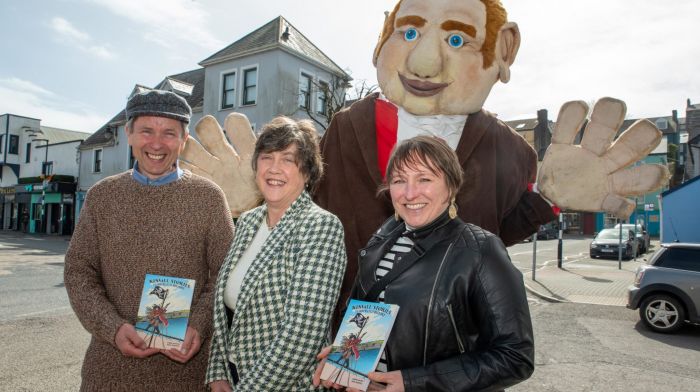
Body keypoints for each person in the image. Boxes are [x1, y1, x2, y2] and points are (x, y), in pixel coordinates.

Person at [315, 136, 534, 391]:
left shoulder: (480, 249)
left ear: (451, 187)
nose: (409, 193)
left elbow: (516, 356)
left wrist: (413, 383)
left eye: (424, 179)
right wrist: (345, 359)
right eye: (399, 181)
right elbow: (371, 318)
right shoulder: (382, 238)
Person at [64, 89, 234, 391]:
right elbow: (79, 271)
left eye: (169, 133)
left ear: (183, 141)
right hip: (108, 373)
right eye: (146, 131)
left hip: (186, 375)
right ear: (129, 134)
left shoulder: (209, 198)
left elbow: (225, 275)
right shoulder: (101, 197)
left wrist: (199, 324)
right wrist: (113, 329)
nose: (156, 143)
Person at [206, 117, 347, 391]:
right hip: (232, 376)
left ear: (307, 172)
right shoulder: (247, 222)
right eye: (266, 157)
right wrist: (217, 372)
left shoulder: (320, 226)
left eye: (287, 159)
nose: (274, 168)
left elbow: (301, 337)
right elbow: (226, 308)